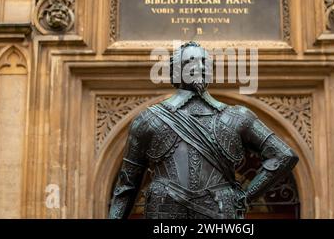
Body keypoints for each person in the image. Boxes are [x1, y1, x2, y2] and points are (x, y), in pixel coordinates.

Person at [109, 41, 298, 219]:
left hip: (219, 211)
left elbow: (284, 155)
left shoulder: (238, 117)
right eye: (189, 61)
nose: (198, 66)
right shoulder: (149, 120)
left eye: (203, 61)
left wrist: (246, 197)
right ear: (176, 71)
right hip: (165, 211)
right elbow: (126, 186)